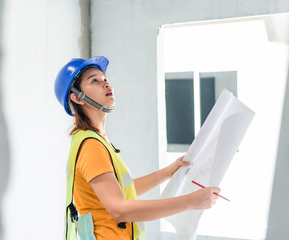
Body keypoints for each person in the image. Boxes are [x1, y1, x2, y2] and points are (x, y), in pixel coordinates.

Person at [54, 56, 220, 240]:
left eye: (105, 79)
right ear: (78, 97)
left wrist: (168, 172)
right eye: (95, 80)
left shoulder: (94, 139)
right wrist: (191, 202)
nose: (107, 84)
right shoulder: (91, 146)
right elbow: (119, 210)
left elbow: (122, 189)